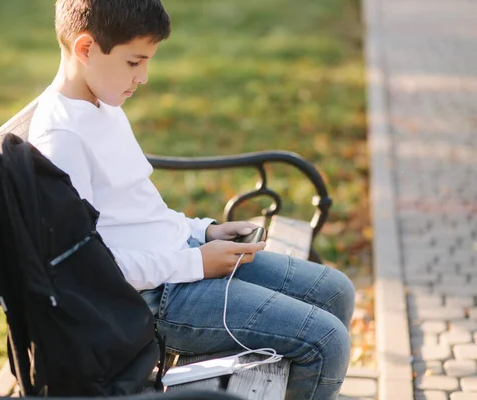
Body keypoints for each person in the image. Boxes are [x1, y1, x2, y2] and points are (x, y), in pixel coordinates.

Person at [28, 1, 355, 398]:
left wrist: (204, 230)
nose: (143, 77)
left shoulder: (102, 103)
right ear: (86, 49)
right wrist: (195, 262)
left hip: (181, 257)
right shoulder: (61, 139)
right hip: (155, 298)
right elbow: (90, 271)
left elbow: (140, 211)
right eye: (135, 62)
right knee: (325, 342)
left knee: (337, 290)